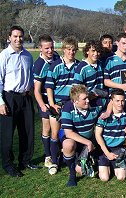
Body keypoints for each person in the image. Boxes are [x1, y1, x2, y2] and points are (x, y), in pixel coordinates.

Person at [0, 26, 39, 177]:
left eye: (21, 36)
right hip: (9, 98)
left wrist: (29, 89)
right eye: (15, 36)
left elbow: (30, 76)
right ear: (9, 37)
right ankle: (8, 165)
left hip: (26, 97)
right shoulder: (4, 56)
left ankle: (25, 160)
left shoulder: (28, 56)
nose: (18, 39)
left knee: (27, 131)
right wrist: (1, 102)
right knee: (7, 134)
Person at [45, 36, 80, 175]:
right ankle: (54, 162)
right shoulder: (55, 65)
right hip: (58, 104)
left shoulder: (79, 65)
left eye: (73, 50)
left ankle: (75, 158)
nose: (71, 52)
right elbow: (49, 87)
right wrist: (52, 104)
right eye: (68, 49)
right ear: (63, 50)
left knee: (73, 133)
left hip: (73, 104)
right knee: (54, 133)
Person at [60, 84, 106, 186]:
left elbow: (111, 98)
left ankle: (80, 160)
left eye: (87, 97)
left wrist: (107, 111)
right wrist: (88, 142)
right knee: (68, 145)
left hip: (90, 140)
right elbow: (68, 133)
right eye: (84, 99)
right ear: (75, 101)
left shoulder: (95, 103)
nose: (88, 100)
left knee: (86, 171)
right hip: (76, 140)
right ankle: (72, 175)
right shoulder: (68, 108)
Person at [33, 35, 60, 168]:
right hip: (45, 100)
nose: (50, 51)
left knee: (58, 127)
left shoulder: (56, 57)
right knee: (47, 128)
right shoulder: (39, 65)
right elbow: (36, 90)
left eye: (52, 47)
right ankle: (47, 155)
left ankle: (56, 152)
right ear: (40, 48)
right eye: (47, 48)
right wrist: (42, 105)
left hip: (57, 99)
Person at [95, 89, 126, 181]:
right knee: (104, 178)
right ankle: (103, 164)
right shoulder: (104, 116)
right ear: (112, 101)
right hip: (105, 149)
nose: (120, 103)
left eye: (122, 101)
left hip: (119, 149)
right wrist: (107, 153)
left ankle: (116, 165)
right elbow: (98, 135)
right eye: (117, 101)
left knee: (121, 177)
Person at [104, 33, 126, 114]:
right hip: (116, 99)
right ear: (117, 43)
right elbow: (106, 81)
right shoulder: (110, 60)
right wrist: (121, 86)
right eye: (123, 43)